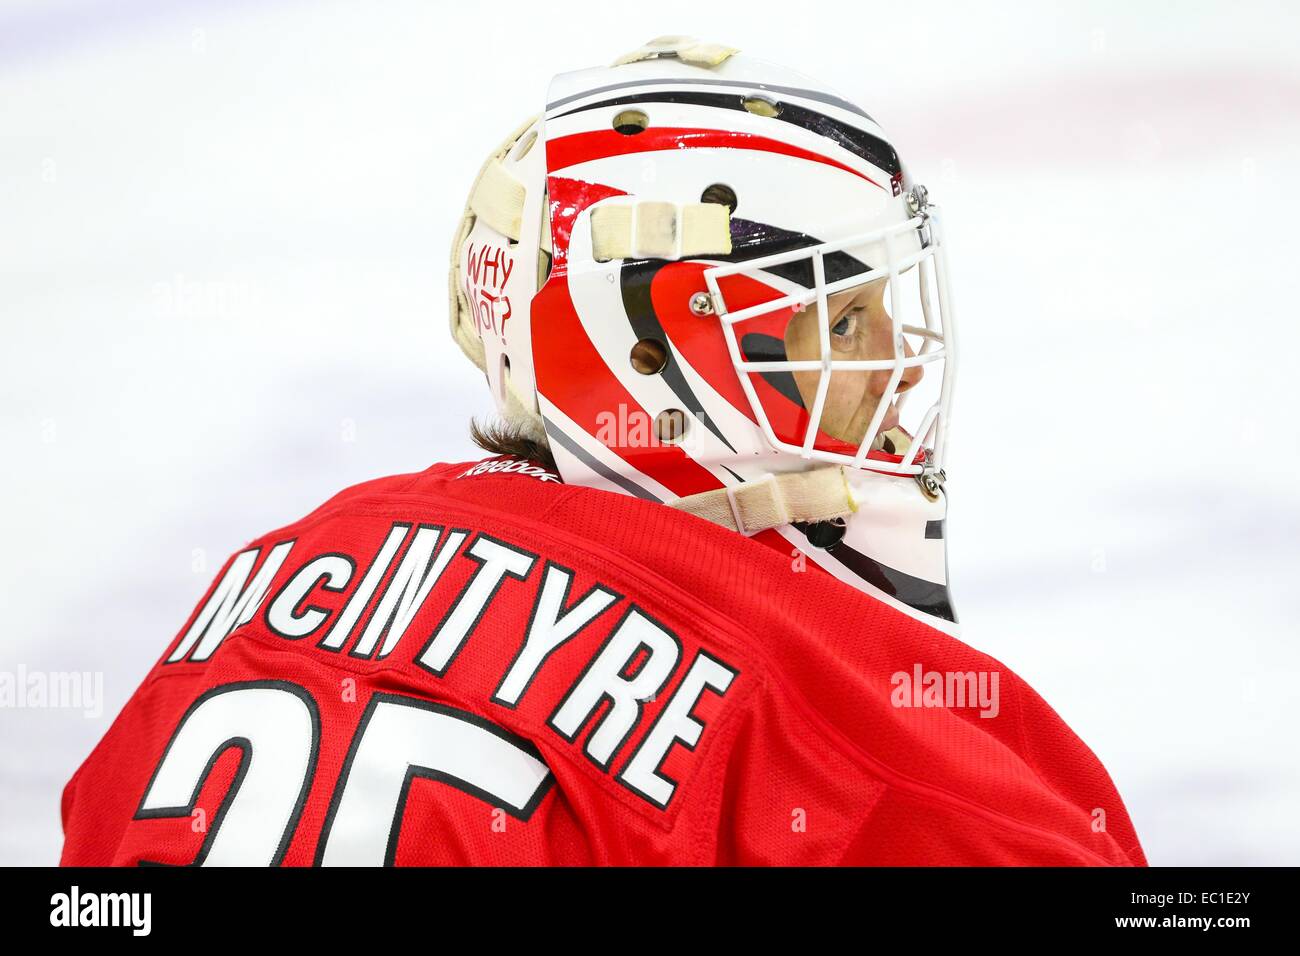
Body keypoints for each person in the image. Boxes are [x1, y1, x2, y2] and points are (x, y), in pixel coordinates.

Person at [60, 37, 1146, 866]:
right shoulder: (843, 714)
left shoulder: (260, 583)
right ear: (654, 341)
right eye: (843, 319)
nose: (896, 369)